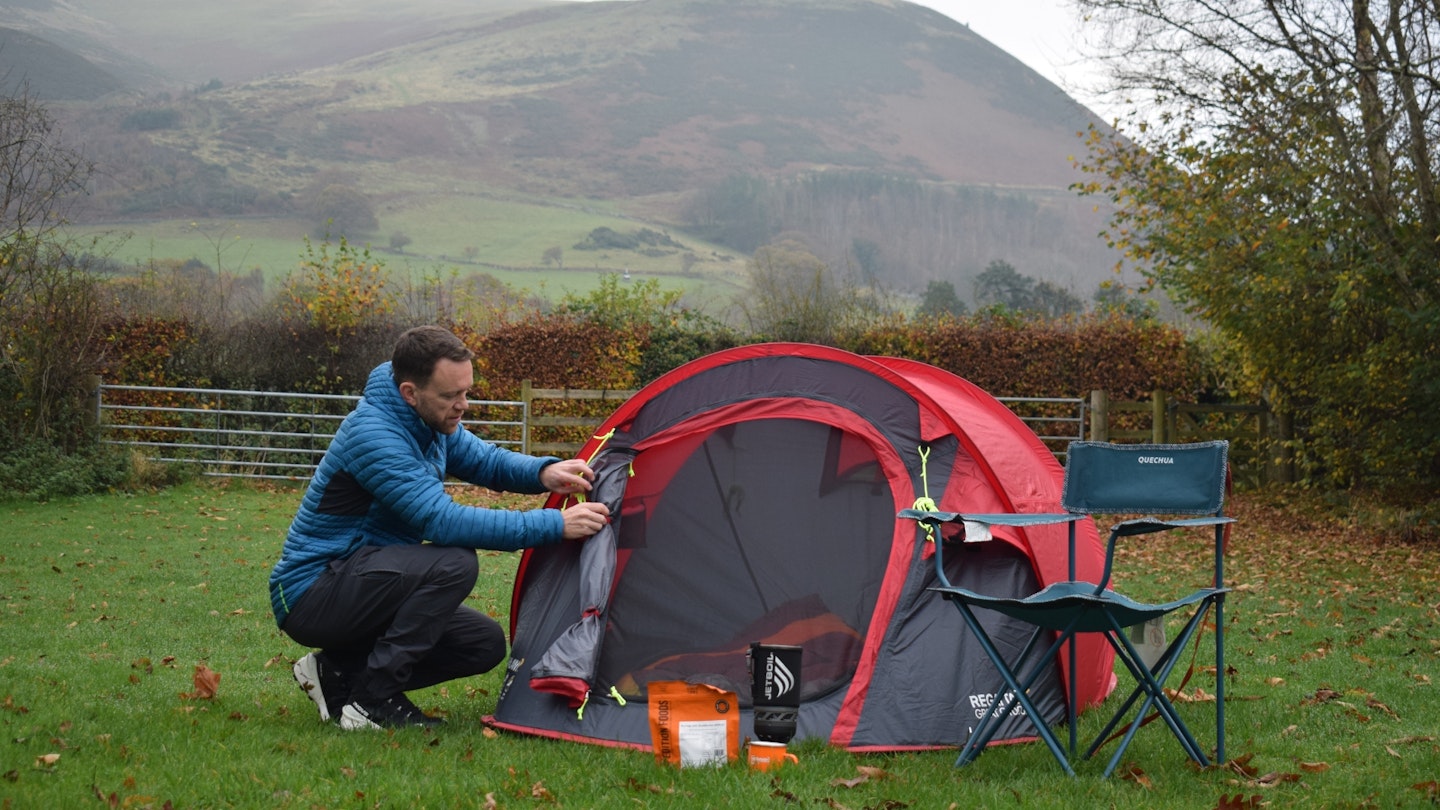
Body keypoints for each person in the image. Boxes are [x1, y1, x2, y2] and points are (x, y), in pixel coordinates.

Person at [267, 325, 611, 730]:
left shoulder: (428, 421)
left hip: (364, 580)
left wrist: (543, 472)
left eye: (466, 392)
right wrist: (553, 524)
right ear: (410, 392)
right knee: (454, 563)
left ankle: (337, 671)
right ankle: (372, 701)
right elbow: (441, 520)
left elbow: (484, 460)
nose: (463, 405)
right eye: (451, 395)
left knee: (481, 644)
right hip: (313, 592)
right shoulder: (375, 435)